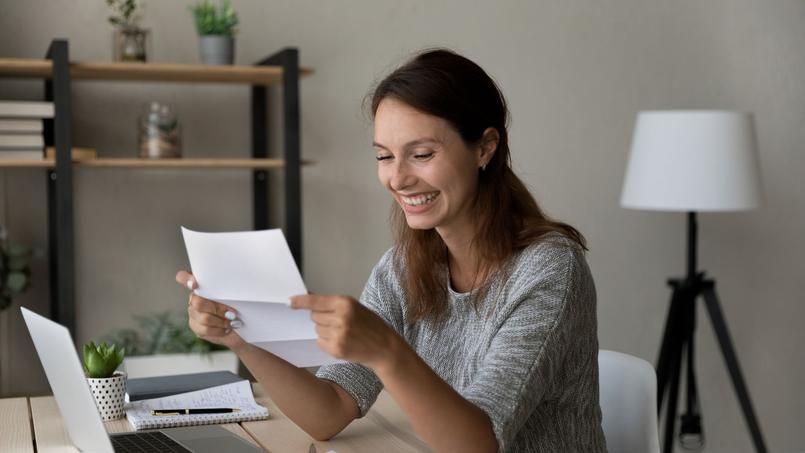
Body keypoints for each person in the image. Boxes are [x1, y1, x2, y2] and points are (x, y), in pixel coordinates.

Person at [176, 49, 607, 453]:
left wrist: (385, 350)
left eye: (420, 154)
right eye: (384, 156)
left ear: (485, 148)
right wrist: (238, 336)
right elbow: (328, 413)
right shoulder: (406, 266)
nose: (398, 178)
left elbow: (480, 444)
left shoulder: (549, 270)